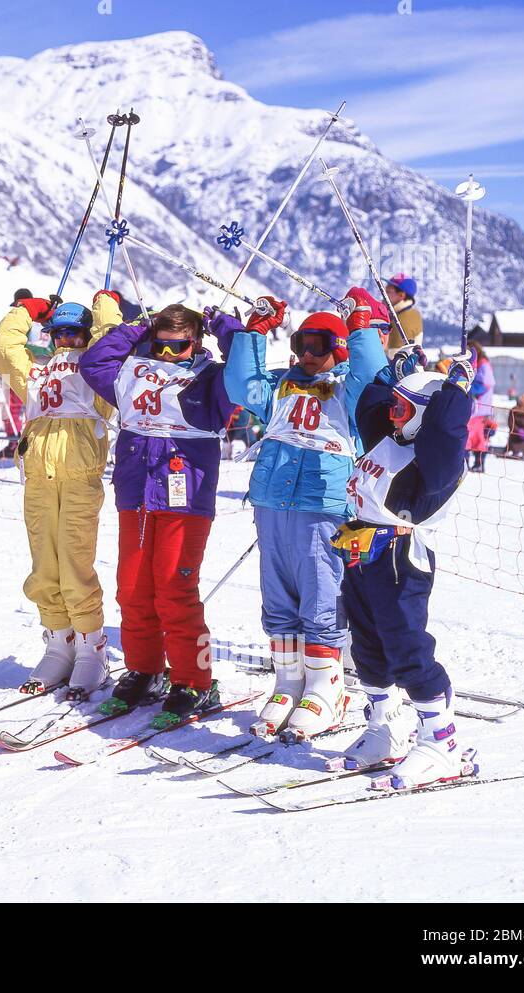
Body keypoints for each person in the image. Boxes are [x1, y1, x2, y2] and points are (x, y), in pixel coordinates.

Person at [224, 288, 386, 740]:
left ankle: (326, 686)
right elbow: (241, 385)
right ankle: (288, 683)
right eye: (300, 344)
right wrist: (253, 333)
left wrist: (360, 327)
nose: (307, 355)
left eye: (318, 346)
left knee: (320, 593)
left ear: (336, 350)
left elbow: (375, 378)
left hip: (324, 503)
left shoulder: (350, 392)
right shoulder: (281, 386)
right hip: (274, 501)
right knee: (278, 596)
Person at [79, 298, 245, 719]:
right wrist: (138, 328)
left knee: (175, 591)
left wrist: (227, 329)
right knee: (133, 589)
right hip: (136, 491)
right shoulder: (135, 370)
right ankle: (144, 669)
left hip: (185, 497)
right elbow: (95, 362)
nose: (169, 355)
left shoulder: (213, 379)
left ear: (197, 342)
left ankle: (195, 680)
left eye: (180, 347)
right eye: (162, 345)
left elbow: (246, 375)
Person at [331, 355, 477, 789]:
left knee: (406, 647)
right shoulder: (391, 438)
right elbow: (368, 407)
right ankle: (385, 728)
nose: (392, 416)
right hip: (360, 552)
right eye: (394, 407)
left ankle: (440, 744)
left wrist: (454, 392)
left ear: (427, 416)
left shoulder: (436, 463)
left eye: (403, 409)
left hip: (400, 558)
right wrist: (390, 376)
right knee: (367, 647)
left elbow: (447, 436)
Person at [0, 291, 123, 699]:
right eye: (59, 334)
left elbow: (111, 341)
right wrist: (29, 311)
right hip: (39, 475)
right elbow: (1, 347)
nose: (66, 341)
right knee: (44, 562)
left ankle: (90, 648)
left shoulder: (98, 372)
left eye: (75, 334)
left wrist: (103, 304)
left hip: (79, 472)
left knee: (74, 558)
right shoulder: (35, 372)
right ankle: (58, 643)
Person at [464, 340, 495, 473]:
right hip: (478, 408)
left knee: (472, 437)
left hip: (479, 408)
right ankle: (474, 463)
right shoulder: (479, 363)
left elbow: (487, 383)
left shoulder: (483, 364)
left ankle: (473, 463)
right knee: (475, 437)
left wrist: (469, 389)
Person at [385, 274, 423, 350]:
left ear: (401, 295)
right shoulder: (413, 314)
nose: (384, 294)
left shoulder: (400, 321)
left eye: (388, 291)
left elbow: (394, 354)